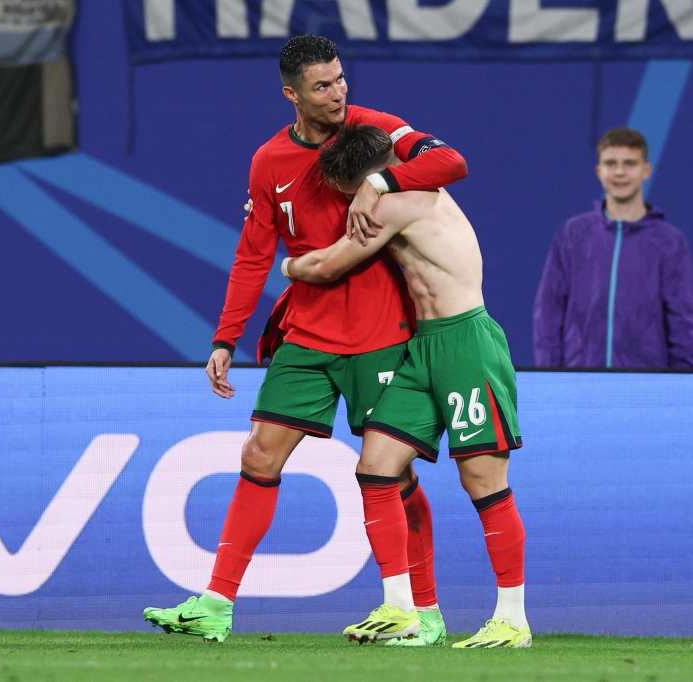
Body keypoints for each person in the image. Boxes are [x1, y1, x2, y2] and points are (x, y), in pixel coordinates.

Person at [142, 35, 468, 645]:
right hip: (309, 333)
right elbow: (252, 255)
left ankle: (421, 611)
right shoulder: (269, 161)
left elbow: (452, 163)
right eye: (323, 86)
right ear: (292, 94)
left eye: (341, 79)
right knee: (259, 456)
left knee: (392, 478)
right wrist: (225, 338)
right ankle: (217, 603)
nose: (339, 93)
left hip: (382, 332)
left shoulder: (377, 128)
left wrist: (382, 184)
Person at [282, 124, 530, 649]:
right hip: (423, 347)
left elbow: (327, 267)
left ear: (367, 179)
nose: (348, 204)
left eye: (347, 193)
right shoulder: (400, 185)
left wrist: (285, 263)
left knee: (483, 481)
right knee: (375, 467)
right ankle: (403, 610)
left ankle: (512, 619)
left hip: (467, 343)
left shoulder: (397, 202)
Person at [533, 127, 693, 369]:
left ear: (646, 170)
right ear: (599, 171)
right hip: (578, 381)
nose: (620, 172)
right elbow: (548, 311)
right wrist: (549, 376)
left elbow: (684, 319)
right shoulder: (573, 234)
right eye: (611, 163)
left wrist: (685, 383)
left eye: (630, 163)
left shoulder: (670, 241)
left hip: (647, 385)